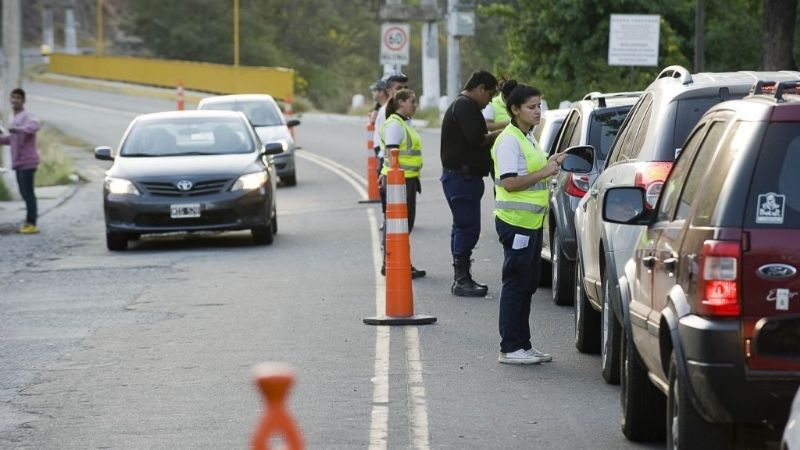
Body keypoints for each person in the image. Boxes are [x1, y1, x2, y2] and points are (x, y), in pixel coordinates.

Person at [491, 84, 564, 364]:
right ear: (514, 109)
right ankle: (510, 347)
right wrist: (545, 170)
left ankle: (523, 344)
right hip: (516, 223)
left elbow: (532, 171)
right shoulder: (509, 140)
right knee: (516, 284)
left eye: (539, 106)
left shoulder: (527, 137)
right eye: (531, 107)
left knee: (528, 284)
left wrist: (552, 161)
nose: (538, 111)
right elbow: (510, 183)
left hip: (531, 223)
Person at [440, 70, 502, 297]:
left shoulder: (466, 106)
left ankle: (462, 277)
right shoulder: (465, 106)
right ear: (480, 89)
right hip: (461, 178)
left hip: (463, 178)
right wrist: (505, 132)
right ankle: (461, 279)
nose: (489, 102)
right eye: (490, 95)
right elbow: (477, 139)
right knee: (468, 227)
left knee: (462, 226)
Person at [378, 88, 425, 279]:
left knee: (404, 224)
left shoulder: (405, 123)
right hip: (399, 181)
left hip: (407, 179)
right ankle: (390, 263)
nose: (415, 105)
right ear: (401, 103)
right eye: (412, 101)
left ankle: (400, 262)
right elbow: (392, 154)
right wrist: (393, 179)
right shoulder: (395, 125)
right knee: (398, 224)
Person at [0, 88, 41, 234]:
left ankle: (32, 223)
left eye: (18, 98)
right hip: (18, 162)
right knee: (24, 193)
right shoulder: (13, 117)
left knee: (28, 193)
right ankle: (29, 222)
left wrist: (18, 129)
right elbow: (12, 139)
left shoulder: (27, 116)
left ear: (23, 100)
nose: (14, 100)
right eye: (13, 97)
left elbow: (35, 126)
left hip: (28, 162)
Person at [374, 73, 409, 175]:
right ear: (389, 91)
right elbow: (385, 145)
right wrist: (387, 168)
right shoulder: (387, 111)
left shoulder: (404, 109)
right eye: (398, 88)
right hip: (391, 167)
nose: (403, 91)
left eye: (405, 87)